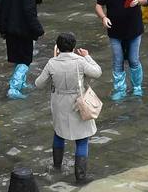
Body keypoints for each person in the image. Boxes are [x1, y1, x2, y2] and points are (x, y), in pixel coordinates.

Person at [34, 32, 102, 184]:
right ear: (74, 46)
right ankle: (81, 176)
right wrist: (87, 56)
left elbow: (38, 83)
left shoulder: (52, 63)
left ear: (57, 47)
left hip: (59, 102)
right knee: (82, 139)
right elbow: (97, 72)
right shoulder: (80, 61)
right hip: (79, 102)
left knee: (59, 133)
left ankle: (57, 167)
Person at [95, 0, 147, 101]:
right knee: (117, 60)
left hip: (134, 30)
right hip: (114, 31)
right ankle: (120, 89)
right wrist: (103, 17)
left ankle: (137, 87)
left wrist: (138, 1)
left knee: (133, 60)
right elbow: (98, 5)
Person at [0, 0, 45, 100]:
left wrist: (1, 27)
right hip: (23, 31)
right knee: (25, 59)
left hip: (9, 30)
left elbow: (1, 8)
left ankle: (21, 83)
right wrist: (38, 29)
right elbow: (30, 12)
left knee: (18, 57)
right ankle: (14, 87)